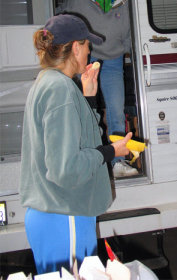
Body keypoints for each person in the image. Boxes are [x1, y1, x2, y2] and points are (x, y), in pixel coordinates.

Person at [20, 14, 132, 274]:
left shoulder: (49, 83)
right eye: (87, 45)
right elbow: (66, 169)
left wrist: (89, 98)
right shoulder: (60, 90)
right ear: (75, 47)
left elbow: (78, 137)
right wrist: (111, 152)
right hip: (64, 215)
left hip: (54, 213)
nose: (90, 52)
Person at [56, 0, 138, 178]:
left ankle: (118, 162)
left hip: (113, 61)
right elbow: (60, 20)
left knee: (116, 110)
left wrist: (128, 49)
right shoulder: (78, 0)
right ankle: (85, 158)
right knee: (83, 109)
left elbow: (134, 29)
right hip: (85, 61)